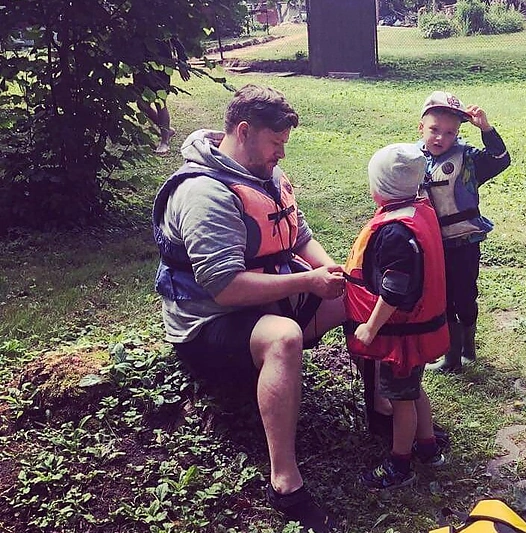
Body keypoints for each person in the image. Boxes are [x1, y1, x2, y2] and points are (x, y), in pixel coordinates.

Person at [152, 84, 344, 532]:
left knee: (353, 298)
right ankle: (285, 482)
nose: (281, 154)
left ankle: (386, 412)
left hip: (269, 300)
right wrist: (307, 281)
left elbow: (298, 236)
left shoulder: (265, 175)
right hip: (208, 326)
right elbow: (226, 289)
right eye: (276, 143)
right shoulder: (204, 194)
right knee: (284, 337)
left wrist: (330, 269)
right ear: (244, 131)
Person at [344, 143, 450, 490]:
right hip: (418, 333)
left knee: (401, 399)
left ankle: (399, 464)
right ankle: (429, 448)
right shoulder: (418, 211)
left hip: (401, 337)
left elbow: (394, 290)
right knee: (414, 389)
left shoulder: (394, 232)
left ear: (382, 188)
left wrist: (370, 328)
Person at [417, 91, 511, 372]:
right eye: (434, 130)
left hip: (464, 241)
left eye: (449, 133)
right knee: (440, 296)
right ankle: (451, 355)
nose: (440, 138)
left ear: (457, 134)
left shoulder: (468, 158)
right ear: (420, 127)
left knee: (466, 295)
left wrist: (486, 129)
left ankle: (468, 345)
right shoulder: (411, 159)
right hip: (432, 244)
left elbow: (500, 159)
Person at [134, 37, 191, 154]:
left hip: (161, 65)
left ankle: (164, 142)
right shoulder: (134, 22)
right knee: (141, 104)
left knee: (160, 101)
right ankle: (167, 130)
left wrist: (182, 62)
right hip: (141, 65)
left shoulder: (161, 23)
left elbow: (176, 40)